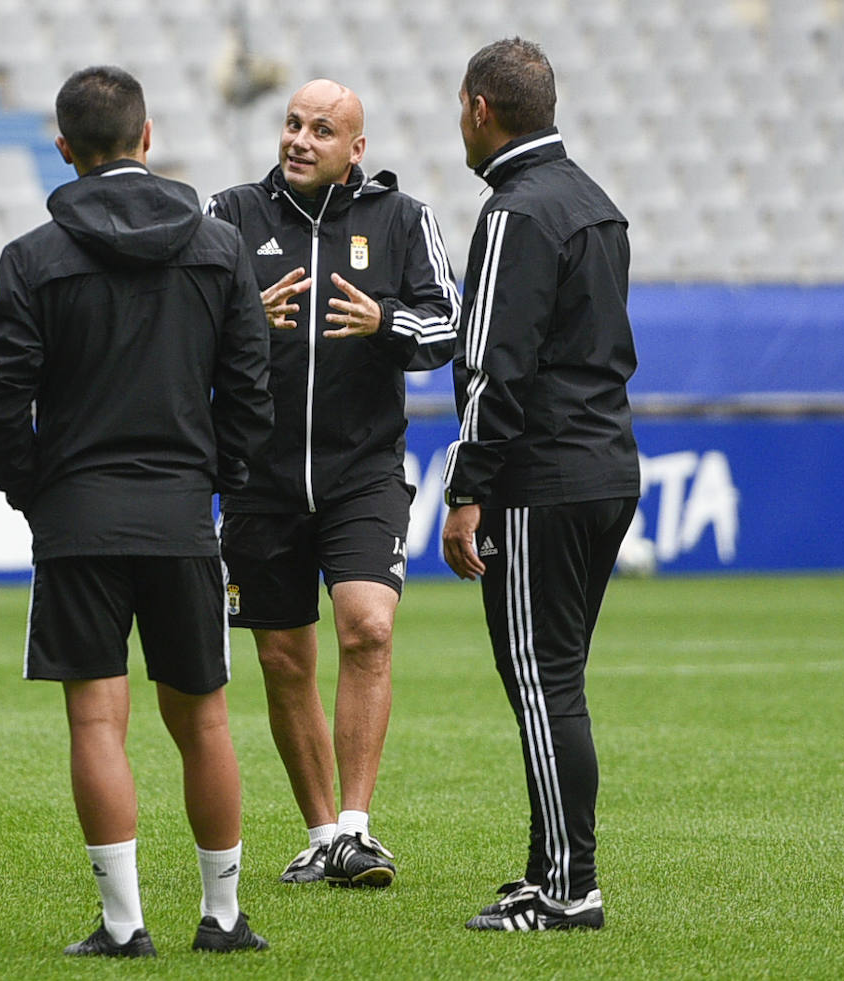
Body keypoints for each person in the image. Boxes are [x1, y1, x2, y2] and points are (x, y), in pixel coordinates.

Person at [0, 66, 274, 958]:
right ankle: (221, 918)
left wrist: (41, 491)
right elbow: (250, 395)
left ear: (64, 150)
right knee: (206, 719)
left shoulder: (31, 257)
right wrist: (206, 480)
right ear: (149, 137)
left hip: (78, 524)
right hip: (181, 519)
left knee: (96, 721)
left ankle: (123, 925)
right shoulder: (219, 250)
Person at [204, 79, 459, 888]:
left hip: (363, 471)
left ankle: (357, 824)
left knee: (367, 628)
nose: (299, 139)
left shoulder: (401, 220)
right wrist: (245, 312)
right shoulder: (230, 215)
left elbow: (449, 322)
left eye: (322, 129)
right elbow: (181, 321)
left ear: (356, 149)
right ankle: (323, 837)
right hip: (259, 476)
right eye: (291, 124)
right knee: (283, 658)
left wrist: (386, 321)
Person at [440, 38, 640, 932]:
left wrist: (465, 488)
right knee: (555, 676)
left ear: (482, 108)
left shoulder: (516, 212)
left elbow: (492, 366)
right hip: (606, 464)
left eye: (460, 108)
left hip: (540, 478)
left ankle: (569, 888)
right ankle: (546, 869)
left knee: (542, 679)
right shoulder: (596, 204)